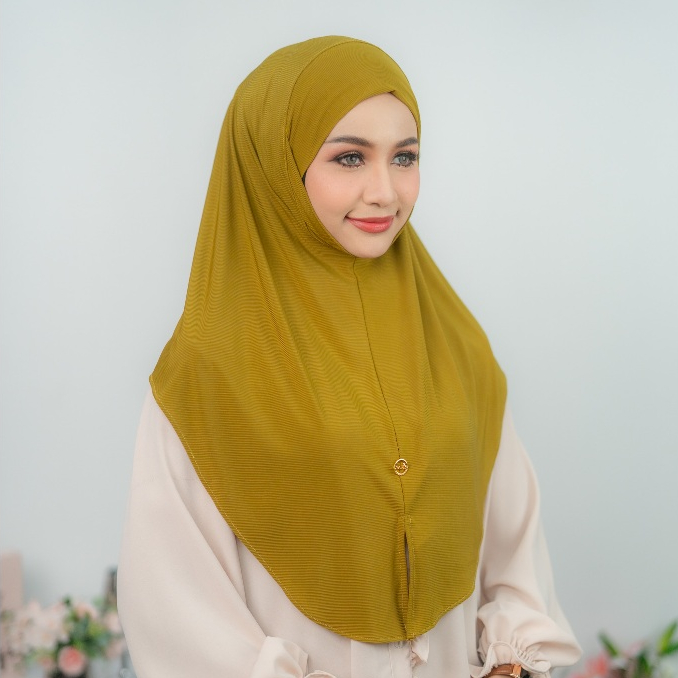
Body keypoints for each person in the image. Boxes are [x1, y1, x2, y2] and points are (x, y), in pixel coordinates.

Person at [117, 36, 581, 678]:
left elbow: (515, 554)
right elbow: (178, 612)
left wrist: (515, 662)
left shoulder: (455, 344)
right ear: (276, 166)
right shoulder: (206, 372)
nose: (385, 191)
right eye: (350, 157)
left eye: (405, 156)